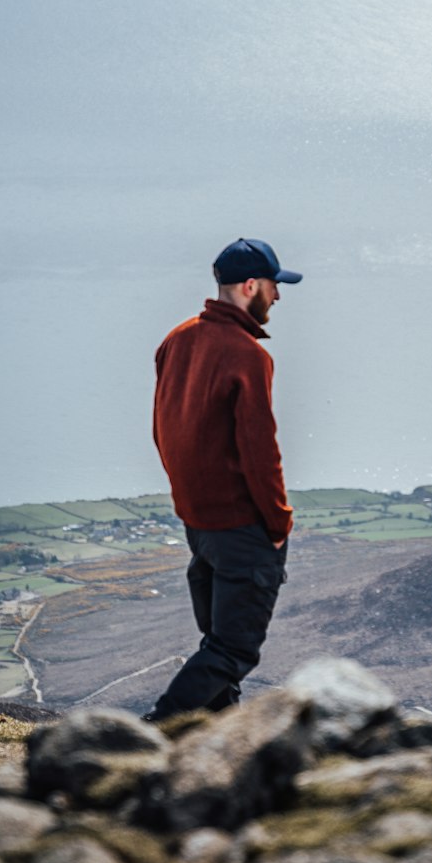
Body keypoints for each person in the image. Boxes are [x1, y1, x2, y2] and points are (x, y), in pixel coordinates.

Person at [144, 237, 302, 721]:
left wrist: (189, 506)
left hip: (200, 527)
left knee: (217, 647)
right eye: (274, 286)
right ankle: (155, 730)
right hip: (241, 529)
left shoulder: (177, 339)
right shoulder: (247, 355)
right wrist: (279, 524)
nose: (278, 296)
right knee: (233, 650)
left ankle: (218, 736)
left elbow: (162, 431)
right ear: (251, 286)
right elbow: (260, 453)